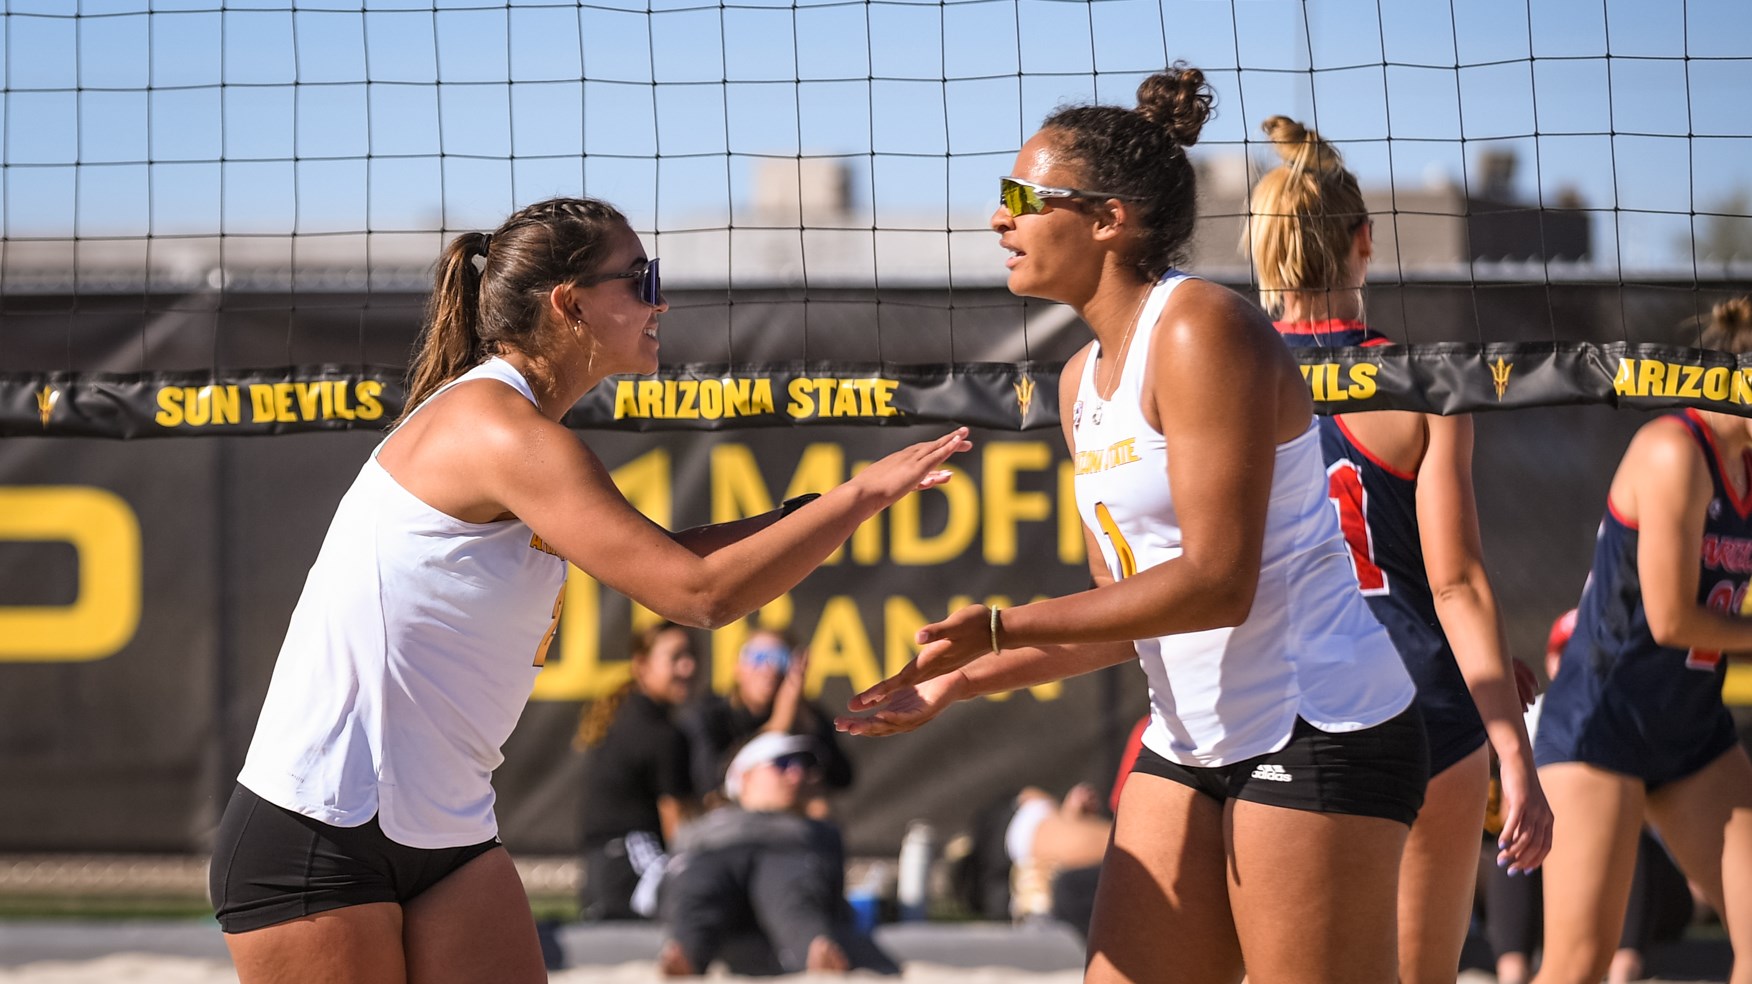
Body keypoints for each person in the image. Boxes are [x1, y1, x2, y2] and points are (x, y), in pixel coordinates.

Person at [205, 195, 972, 984]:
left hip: (443, 826)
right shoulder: (497, 427)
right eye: (641, 279)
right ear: (569, 304)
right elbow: (697, 594)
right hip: (318, 829)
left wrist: (827, 506)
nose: (660, 300)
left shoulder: (518, 426)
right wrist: (863, 497)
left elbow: (669, 557)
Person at [840, 65, 1433, 984]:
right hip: (1189, 739)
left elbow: (1217, 583)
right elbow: (1129, 617)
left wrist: (1002, 626)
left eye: (1021, 198)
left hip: (1318, 723)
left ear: (1108, 219)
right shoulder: (1079, 380)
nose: (1000, 218)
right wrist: (966, 679)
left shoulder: (1201, 329)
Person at [1243, 114, 1554, 983]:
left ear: (1264, 256)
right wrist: (1516, 754)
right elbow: (1454, 586)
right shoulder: (1424, 384)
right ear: (1364, 243)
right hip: (1424, 710)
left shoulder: (1220, 378)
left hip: (1284, 711)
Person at [1533, 298, 1752, 984]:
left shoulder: (1746, 460)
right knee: (1578, 967)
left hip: (1690, 729)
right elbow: (1670, 620)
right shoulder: (1673, 450)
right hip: (1602, 727)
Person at [1483, 611, 1695, 984]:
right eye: (1571, 650)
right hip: (1547, 867)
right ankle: (1512, 972)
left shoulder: (1643, 714)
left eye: (1592, 649)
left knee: (1631, 844)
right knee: (1516, 845)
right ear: (1551, 660)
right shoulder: (1531, 719)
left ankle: (1624, 971)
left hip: (1641, 875)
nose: (1582, 660)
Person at [654, 732, 899, 977]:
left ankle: (816, 954)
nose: (796, 773)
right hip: (716, 862)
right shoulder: (703, 828)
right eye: (782, 764)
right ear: (745, 776)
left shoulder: (814, 831)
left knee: (795, 896)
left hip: (784, 863)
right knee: (698, 889)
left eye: (803, 765)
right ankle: (686, 956)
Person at [576, 621, 700, 920]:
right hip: (628, 868)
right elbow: (678, 831)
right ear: (642, 665)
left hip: (602, 872)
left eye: (692, 656)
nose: (688, 667)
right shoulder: (661, 733)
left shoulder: (625, 714)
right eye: (676, 657)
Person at [682, 629, 854, 814]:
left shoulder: (808, 713)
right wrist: (778, 726)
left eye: (781, 659)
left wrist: (808, 725)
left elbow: (843, 778)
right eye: (758, 657)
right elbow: (712, 782)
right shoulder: (711, 715)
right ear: (738, 667)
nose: (769, 669)